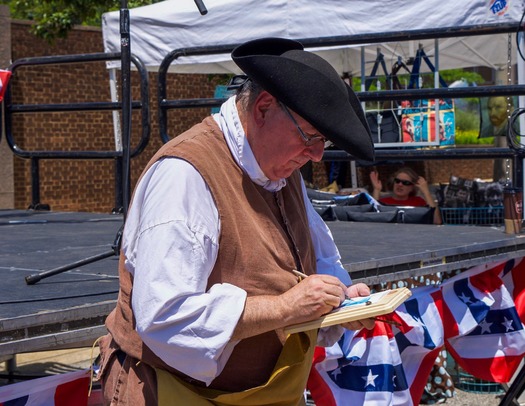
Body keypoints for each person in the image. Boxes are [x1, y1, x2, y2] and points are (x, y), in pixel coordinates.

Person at [97, 37, 376, 405]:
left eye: (322, 141)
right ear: (262, 109)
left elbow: (318, 260)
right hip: (172, 392)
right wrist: (283, 308)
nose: (317, 156)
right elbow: (166, 316)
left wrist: (343, 302)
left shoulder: (280, 169)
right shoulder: (185, 174)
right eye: (310, 136)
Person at [369, 166, 442, 225]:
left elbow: (436, 221)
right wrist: (376, 190)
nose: (400, 185)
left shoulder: (419, 202)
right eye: (397, 181)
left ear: (412, 188)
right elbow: (374, 220)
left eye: (405, 183)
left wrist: (426, 192)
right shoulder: (384, 202)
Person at [479, 96, 517, 182]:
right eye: (489, 108)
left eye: (498, 107)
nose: (492, 113)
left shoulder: (511, 130)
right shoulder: (494, 130)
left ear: (511, 109)